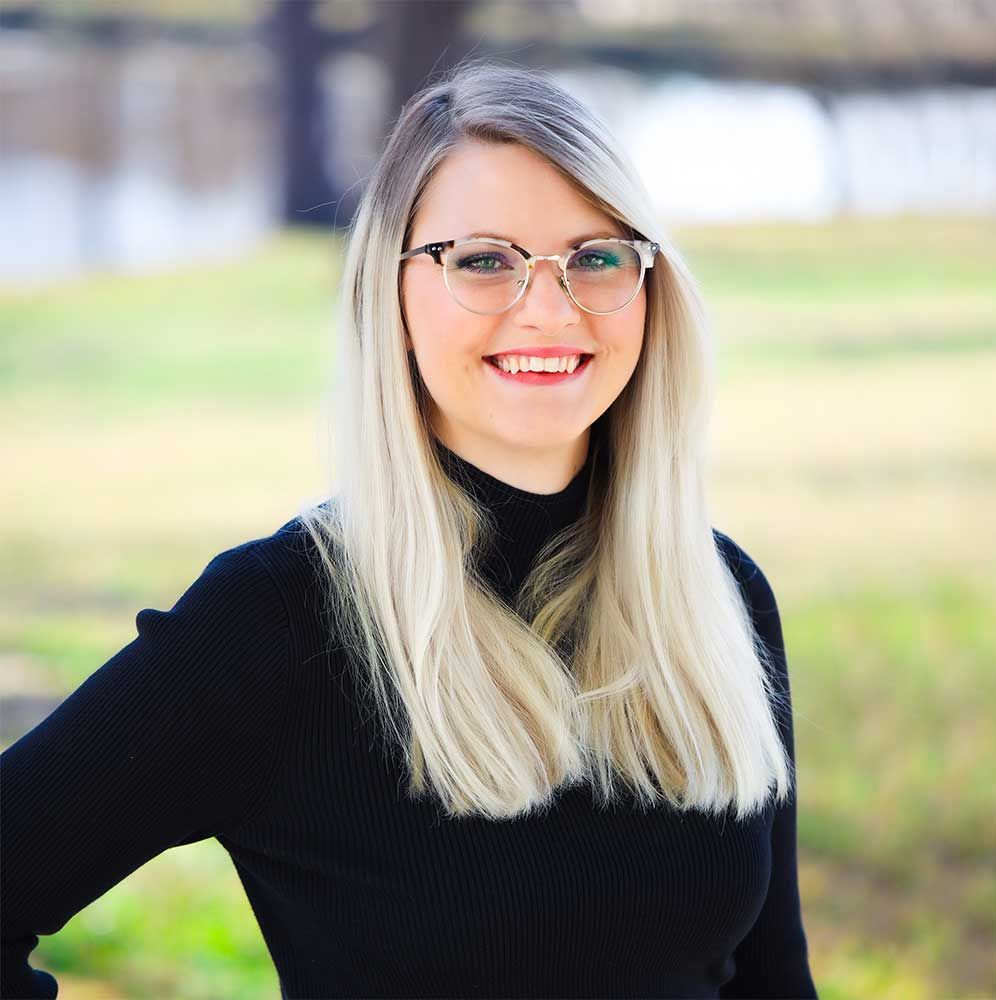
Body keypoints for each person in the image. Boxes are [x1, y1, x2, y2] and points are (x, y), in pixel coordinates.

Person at [1, 58, 818, 999]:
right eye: (482, 260)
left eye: (597, 256)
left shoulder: (717, 592)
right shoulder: (281, 618)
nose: (548, 310)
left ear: (649, 287)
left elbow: (770, 975)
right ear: (389, 295)